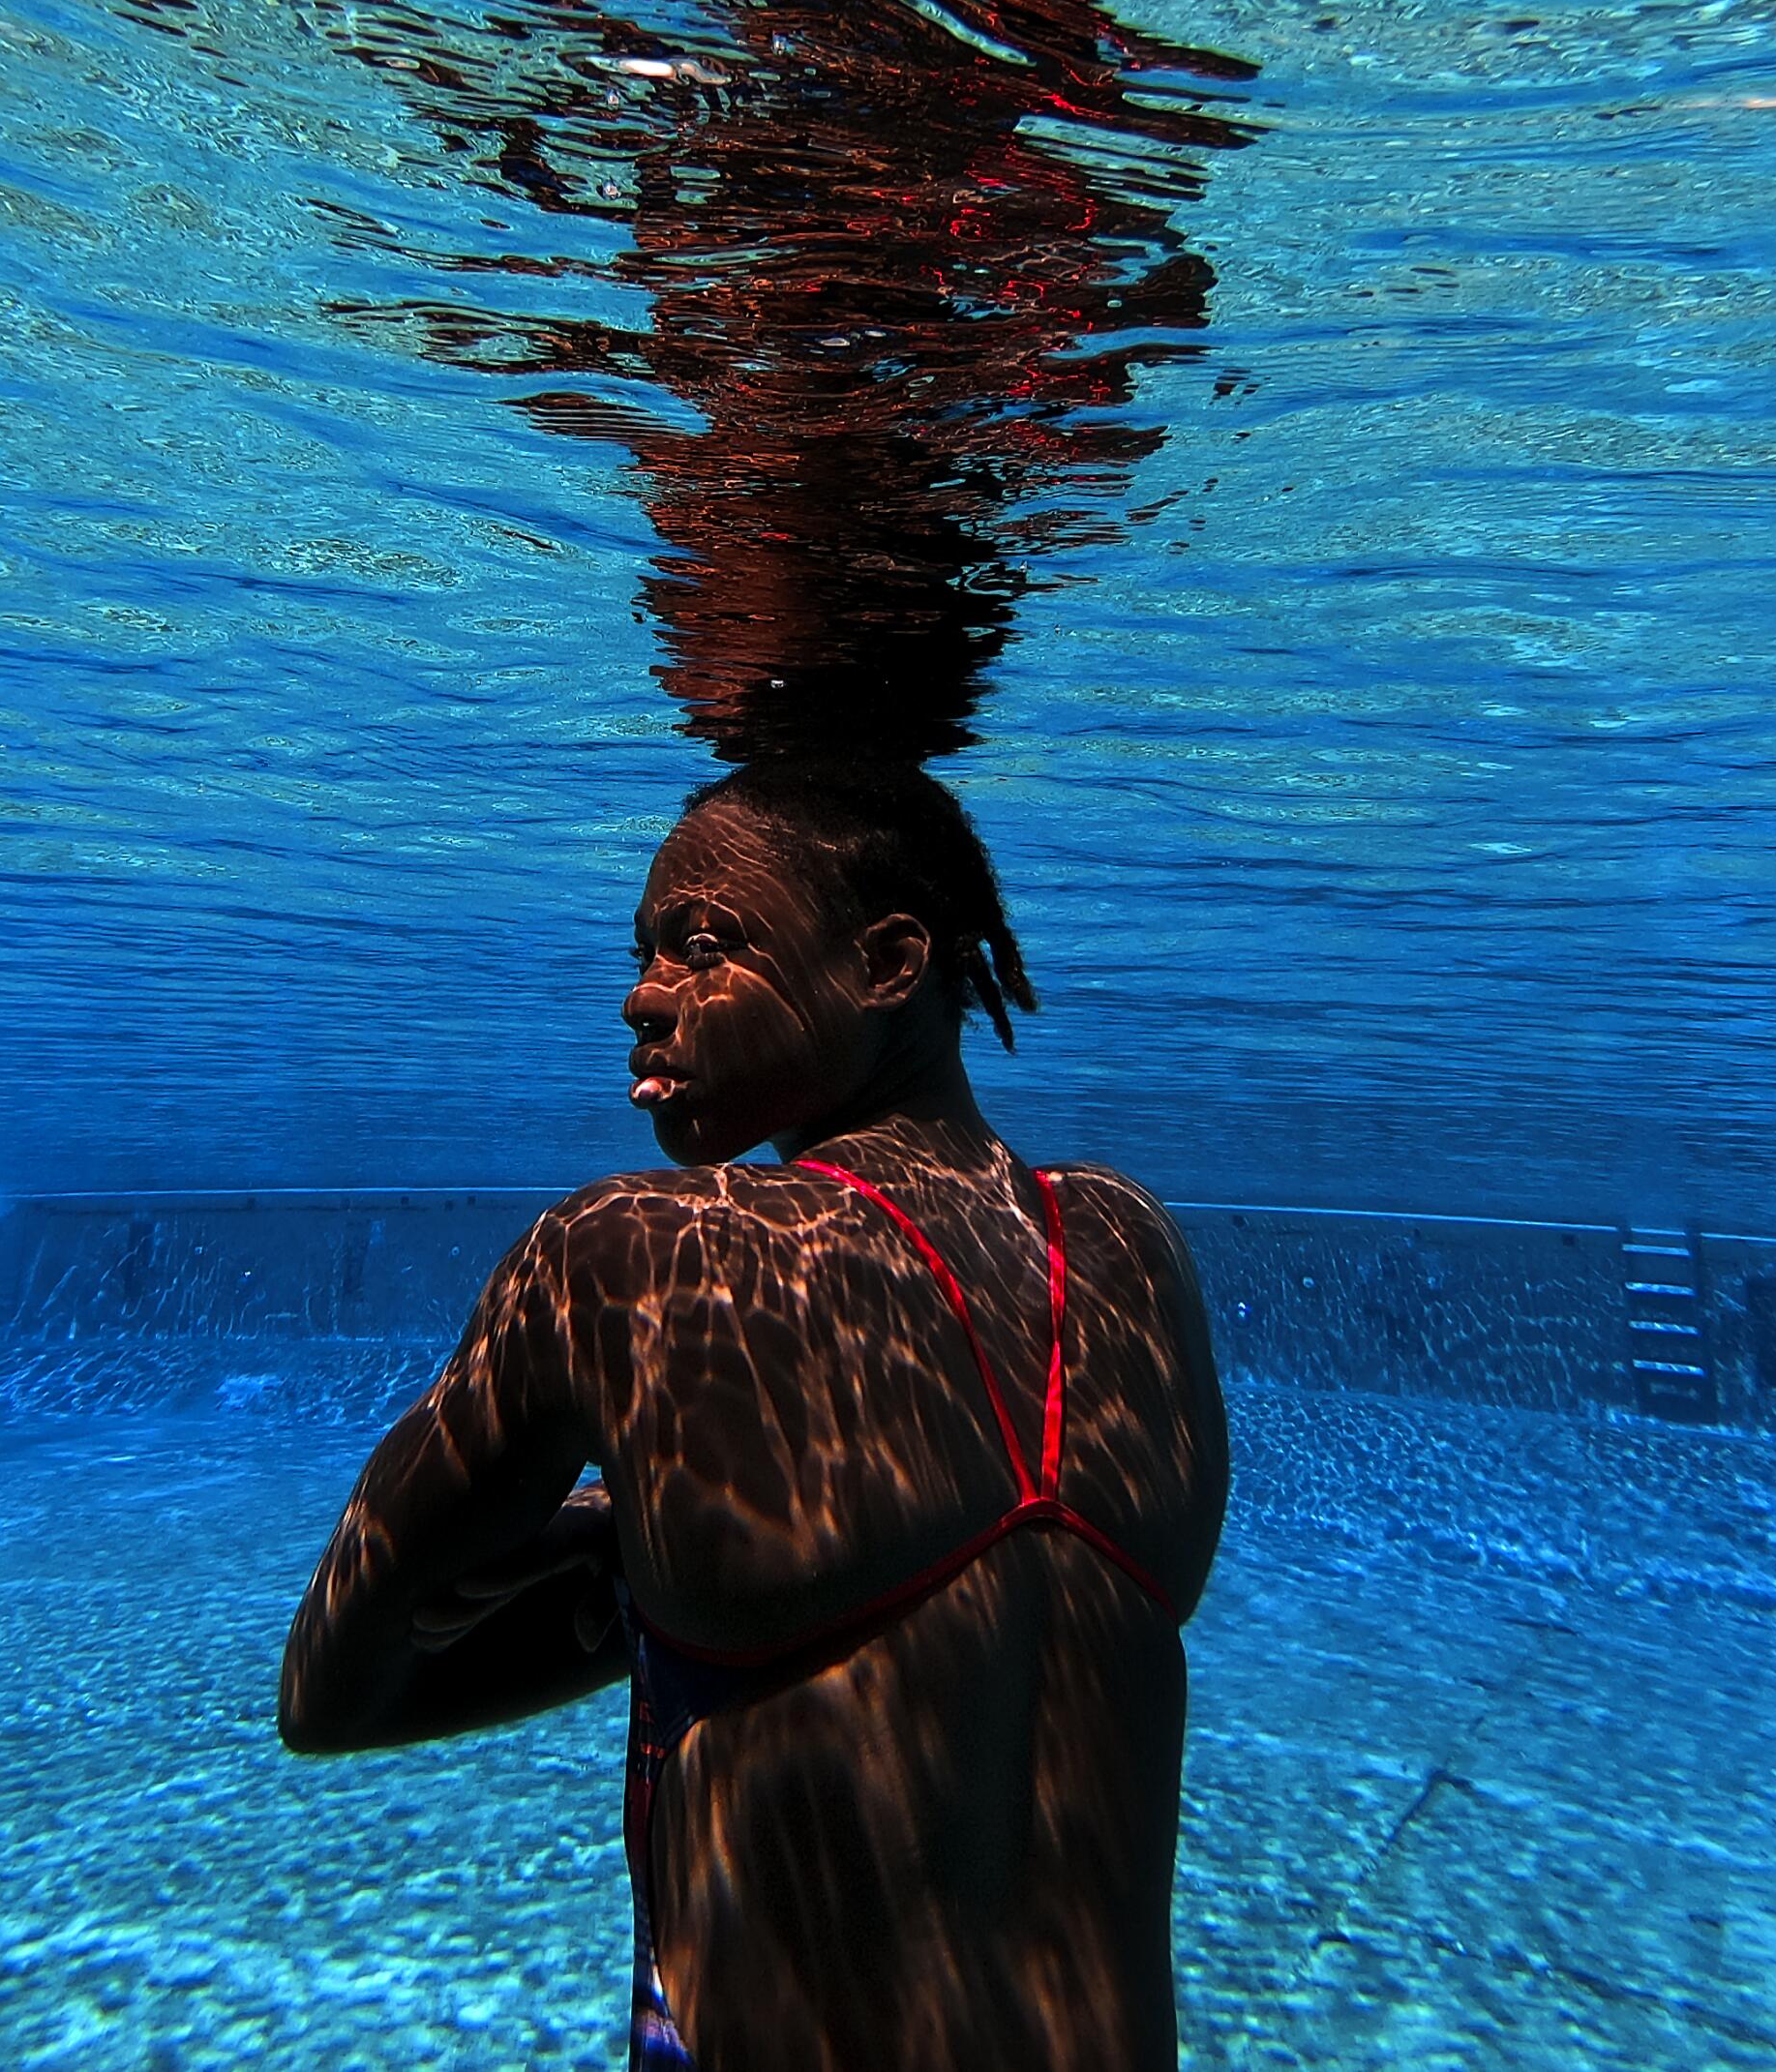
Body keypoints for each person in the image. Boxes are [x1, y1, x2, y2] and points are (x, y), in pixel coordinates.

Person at [279, 759, 1228, 2072]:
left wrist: (627, 1572)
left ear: (889, 963)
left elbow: (331, 1686)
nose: (642, 995)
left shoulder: (627, 1256)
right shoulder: (1129, 1251)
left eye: (701, 946)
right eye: (646, 955)